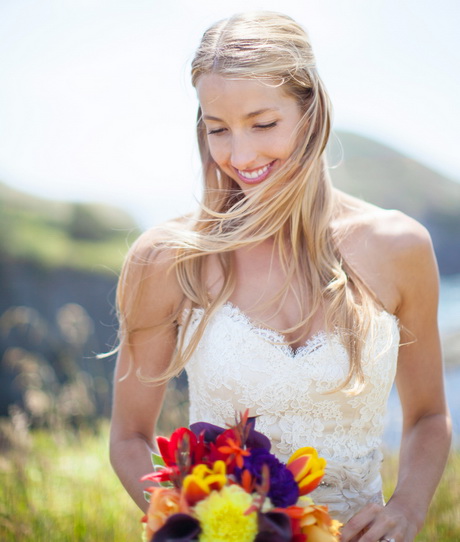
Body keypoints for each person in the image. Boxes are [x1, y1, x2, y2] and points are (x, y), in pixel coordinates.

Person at [109, 11, 451, 542]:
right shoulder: (168, 258)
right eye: (218, 129)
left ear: (311, 112)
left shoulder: (398, 247)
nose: (240, 155)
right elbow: (129, 437)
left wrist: (407, 507)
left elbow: (428, 416)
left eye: (263, 124)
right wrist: (196, 524)